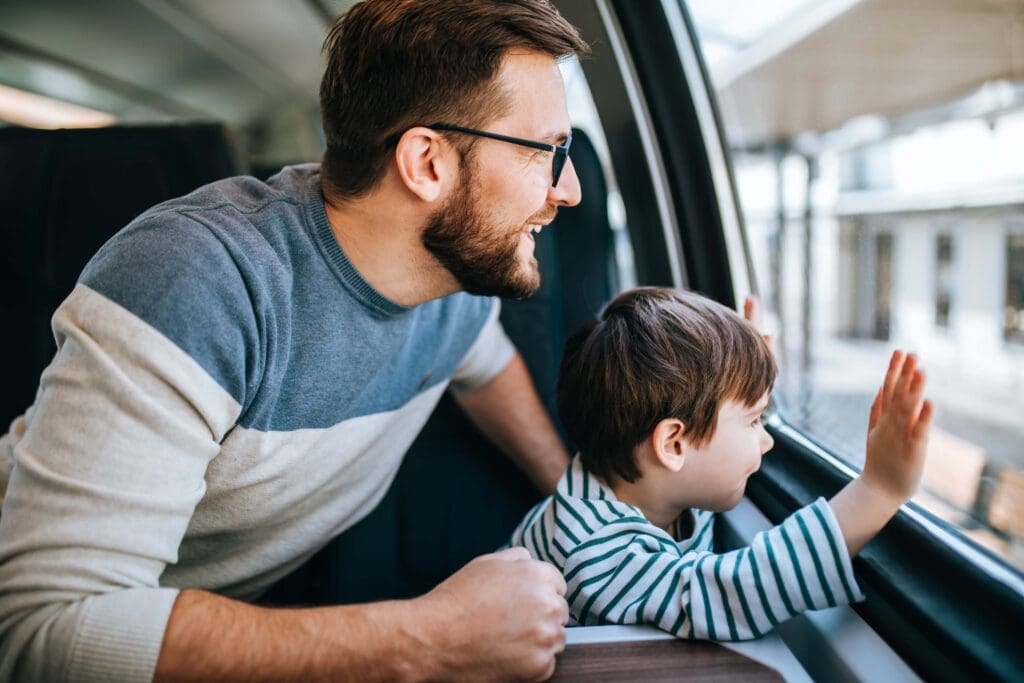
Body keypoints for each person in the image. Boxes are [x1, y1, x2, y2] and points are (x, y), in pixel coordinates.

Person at [0, 1, 590, 681]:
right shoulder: (197, 282)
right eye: (548, 152)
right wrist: (430, 635)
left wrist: (575, 503)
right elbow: (45, 630)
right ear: (427, 162)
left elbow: (484, 365)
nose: (566, 190)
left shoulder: (450, 283)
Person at [509, 287, 933, 640]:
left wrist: (742, 378)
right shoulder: (601, 555)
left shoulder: (640, 476)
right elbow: (735, 591)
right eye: (754, 421)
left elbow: (711, 446)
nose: (767, 441)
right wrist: (878, 489)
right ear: (674, 444)